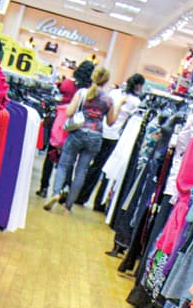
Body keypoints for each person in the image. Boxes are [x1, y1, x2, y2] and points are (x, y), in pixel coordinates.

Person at [45, 67, 116, 213]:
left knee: (64, 165)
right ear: (107, 80)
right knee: (81, 171)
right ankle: (69, 206)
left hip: (77, 132)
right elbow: (110, 122)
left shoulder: (82, 93)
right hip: (95, 136)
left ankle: (56, 193)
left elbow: (70, 112)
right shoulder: (109, 100)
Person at [82, 74, 146, 210]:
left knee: (91, 165)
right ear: (138, 85)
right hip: (114, 137)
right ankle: (98, 202)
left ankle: (81, 195)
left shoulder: (114, 93)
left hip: (99, 130)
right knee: (106, 169)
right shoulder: (135, 102)